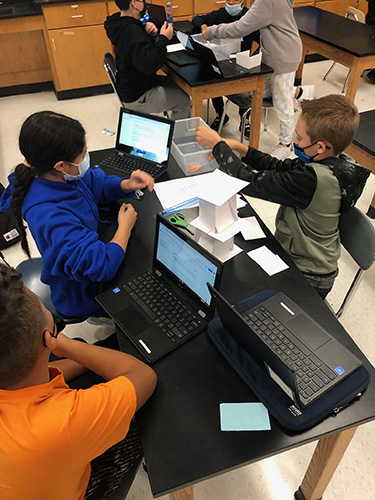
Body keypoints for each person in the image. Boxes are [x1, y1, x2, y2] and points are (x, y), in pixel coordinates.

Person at [0, 262, 157, 500]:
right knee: (144, 422)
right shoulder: (64, 422)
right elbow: (144, 376)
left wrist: (84, 357)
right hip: (74, 482)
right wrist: (65, 344)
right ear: (47, 337)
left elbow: (45, 373)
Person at [195, 94, 371, 299]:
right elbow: (278, 166)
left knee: (235, 292)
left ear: (320, 146)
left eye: (299, 137)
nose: (294, 141)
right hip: (300, 257)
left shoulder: (312, 180)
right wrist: (238, 146)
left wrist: (218, 146)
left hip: (308, 274)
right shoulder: (332, 163)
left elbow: (251, 182)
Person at [0, 111, 154, 319]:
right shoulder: (48, 214)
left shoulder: (57, 174)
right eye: (83, 154)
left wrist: (125, 184)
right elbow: (103, 265)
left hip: (89, 257)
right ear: (61, 165)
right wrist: (124, 227)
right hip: (82, 293)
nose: (86, 159)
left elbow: (92, 182)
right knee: (148, 300)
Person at [202, 0, 302, 160]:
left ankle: (286, 144)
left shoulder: (267, 1)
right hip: (274, 56)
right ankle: (293, 90)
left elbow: (240, 28)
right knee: (259, 92)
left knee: (282, 103)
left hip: (283, 58)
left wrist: (212, 31)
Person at [104, 0, 191, 120]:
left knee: (184, 87)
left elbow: (137, 50)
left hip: (131, 85)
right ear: (134, 3)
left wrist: (144, 30)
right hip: (139, 95)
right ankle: (176, 137)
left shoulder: (119, 23)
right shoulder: (132, 32)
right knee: (184, 101)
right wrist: (163, 38)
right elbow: (150, 65)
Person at [192, 0, 260, 137]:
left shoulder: (250, 18)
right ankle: (221, 114)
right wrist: (204, 27)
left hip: (242, 64)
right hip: (221, 61)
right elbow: (196, 19)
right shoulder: (219, 15)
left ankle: (244, 119)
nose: (231, 2)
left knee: (246, 87)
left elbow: (264, 42)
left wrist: (252, 58)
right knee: (209, 77)